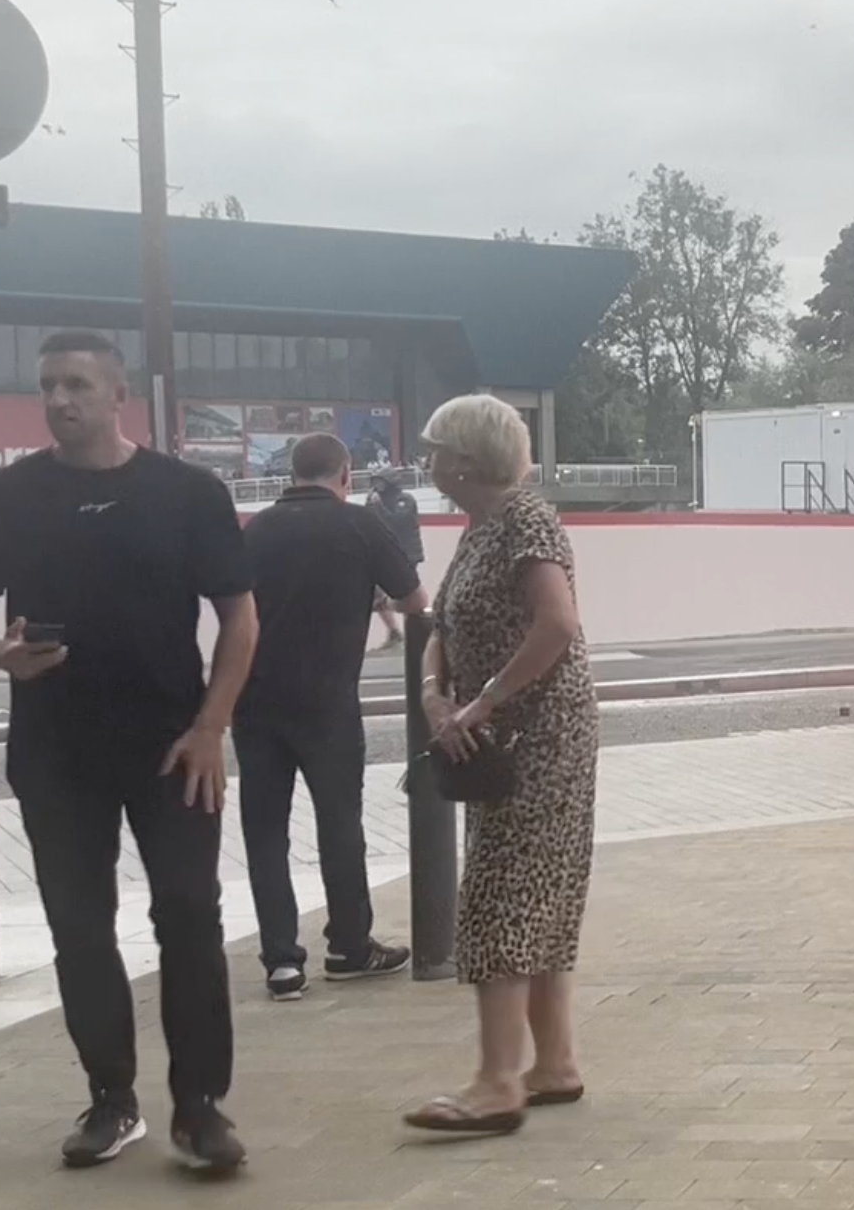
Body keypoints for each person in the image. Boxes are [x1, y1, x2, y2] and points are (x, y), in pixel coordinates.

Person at [0, 331, 257, 1172]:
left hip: (174, 749)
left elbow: (239, 617)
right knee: (80, 931)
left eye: (78, 385)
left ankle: (200, 1107)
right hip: (55, 753)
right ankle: (112, 1100)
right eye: (49, 386)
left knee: (190, 921)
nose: (60, 400)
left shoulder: (187, 493)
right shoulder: (4, 499)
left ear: (117, 395)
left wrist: (212, 727)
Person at [404, 394, 600, 1133]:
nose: (427, 462)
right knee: (538, 894)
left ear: (463, 457)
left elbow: (558, 624)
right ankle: (553, 1065)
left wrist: (480, 702)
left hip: (539, 740)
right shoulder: (483, 529)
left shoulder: (524, 522)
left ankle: (496, 1084)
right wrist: (433, 692)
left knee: (500, 898)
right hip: (505, 738)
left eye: (434, 449)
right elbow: (441, 625)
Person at [236, 434, 426, 1002]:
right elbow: (416, 603)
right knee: (340, 826)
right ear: (345, 474)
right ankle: (349, 946)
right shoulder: (360, 527)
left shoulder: (257, 530)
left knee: (265, 831)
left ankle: (281, 964)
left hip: (254, 702)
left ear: (293, 474)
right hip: (328, 705)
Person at [368, 468, 427, 650]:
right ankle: (395, 632)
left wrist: (378, 507)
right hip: (386, 553)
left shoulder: (405, 500)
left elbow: (397, 522)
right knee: (376, 594)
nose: (377, 486)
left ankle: (416, 635)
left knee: (407, 593)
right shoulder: (375, 501)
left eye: (381, 482)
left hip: (407, 554)